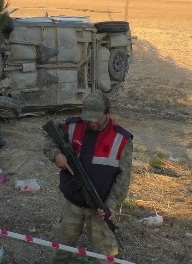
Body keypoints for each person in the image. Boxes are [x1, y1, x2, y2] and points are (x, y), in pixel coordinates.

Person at [43, 92, 133, 264]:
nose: (92, 122)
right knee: (61, 249)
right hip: (73, 203)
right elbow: (50, 139)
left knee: (105, 255)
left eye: (97, 118)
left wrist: (111, 204)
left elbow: (124, 178)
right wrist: (56, 155)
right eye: (88, 118)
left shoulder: (121, 139)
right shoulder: (72, 126)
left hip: (100, 206)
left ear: (108, 113)